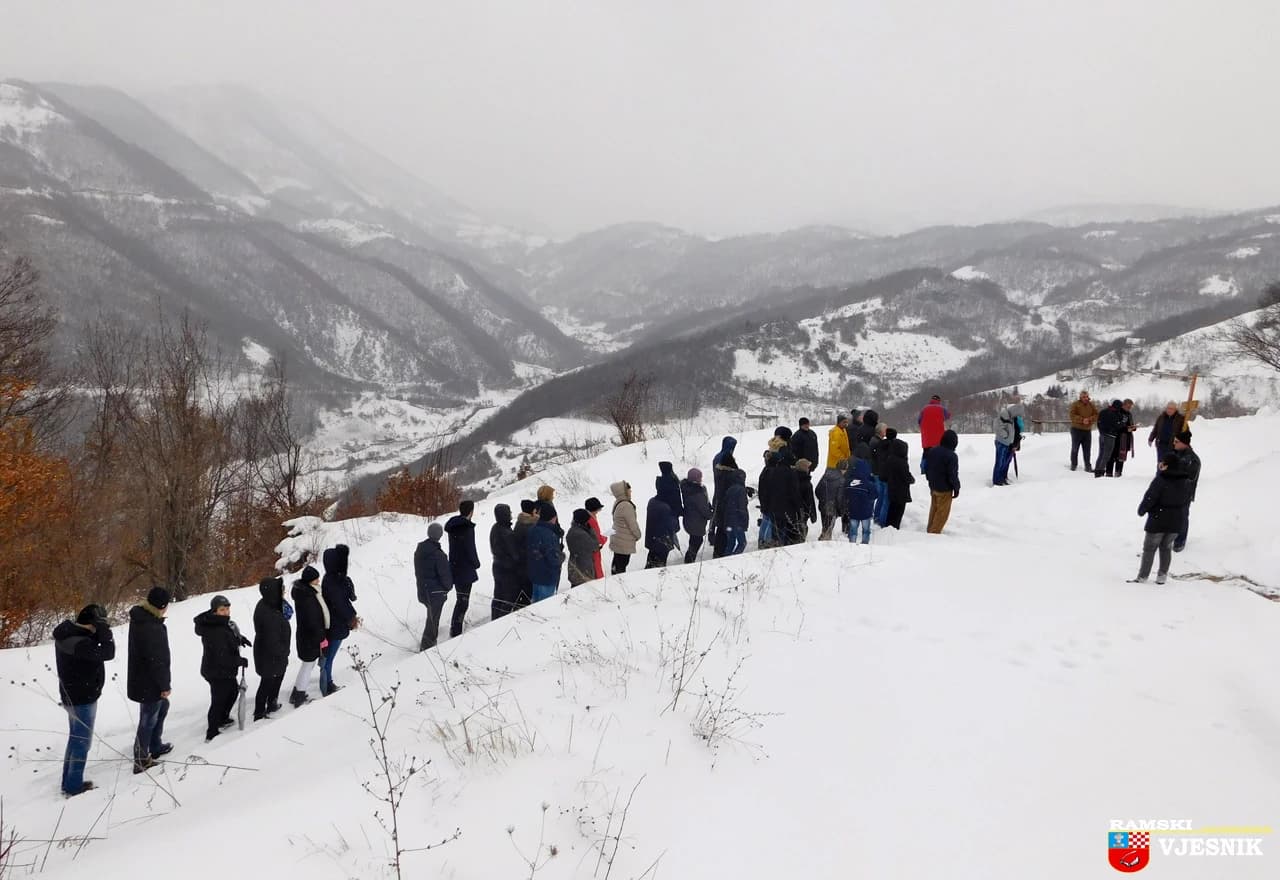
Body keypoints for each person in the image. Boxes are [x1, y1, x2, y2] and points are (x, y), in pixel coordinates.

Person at [54, 603, 115, 796]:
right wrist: (105, 630)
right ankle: (73, 786)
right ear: (92, 623)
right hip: (83, 698)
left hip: (72, 695)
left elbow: (92, 640)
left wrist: (99, 627)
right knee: (82, 742)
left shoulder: (69, 633)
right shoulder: (80, 643)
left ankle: (68, 780)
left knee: (75, 738)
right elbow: (108, 652)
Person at [193, 595, 250, 743]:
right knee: (218, 699)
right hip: (216, 671)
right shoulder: (214, 629)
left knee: (231, 692)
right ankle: (211, 731)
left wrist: (240, 638)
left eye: (227, 608)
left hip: (224, 669)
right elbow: (222, 656)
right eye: (222, 609)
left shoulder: (221, 623)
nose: (226, 612)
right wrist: (239, 661)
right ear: (214, 611)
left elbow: (228, 636)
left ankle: (223, 718)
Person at [128, 587, 173, 774]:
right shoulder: (151, 626)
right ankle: (141, 759)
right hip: (149, 681)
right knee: (148, 718)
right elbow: (157, 660)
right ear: (162, 606)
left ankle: (155, 745)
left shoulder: (143, 618)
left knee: (161, 707)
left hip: (142, 678)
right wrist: (164, 685)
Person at [1129, 453, 1192, 584]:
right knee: (1166, 547)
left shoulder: (1161, 480)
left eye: (1162, 463)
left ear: (1166, 465)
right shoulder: (1186, 482)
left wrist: (1142, 510)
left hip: (1158, 519)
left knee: (1149, 549)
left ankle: (1142, 577)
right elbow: (1186, 500)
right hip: (1176, 521)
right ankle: (1162, 576)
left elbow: (1150, 497)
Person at [319, 544, 358, 697]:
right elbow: (340, 603)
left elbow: (350, 597)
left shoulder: (336, 579)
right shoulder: (331, 581)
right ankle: (327, 684)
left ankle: (327, 680)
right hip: (335, 624)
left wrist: (347, 582)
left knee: (329, 656)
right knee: (329, 657)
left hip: (336, 623)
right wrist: (351, 617)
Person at [251, 577, 290, 721]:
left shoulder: (270, 603)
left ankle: (272, 702)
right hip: (269, 655)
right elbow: (272, 640)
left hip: (273, 653)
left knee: (277, 677)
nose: (284, 592)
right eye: (282, 590)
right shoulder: (268, 613)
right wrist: (283, 652)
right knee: (267, 682)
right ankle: (259, 713)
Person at [444, 500, 481, 638]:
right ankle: (456, 630)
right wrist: (476, 563)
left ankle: (455, 627)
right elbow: (470, 548)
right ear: (471, 511)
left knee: (461, 599)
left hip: (455, 566)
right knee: (463, 601)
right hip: (465, 568)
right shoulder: (467, 528)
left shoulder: (454, 526)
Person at [289, 565, 324, 706]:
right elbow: (313, 620)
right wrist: (321, 636)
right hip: (309, 637)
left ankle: (297, 691)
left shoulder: (303, 593)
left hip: (305, 635)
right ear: (310, 582)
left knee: (307, 664)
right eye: (316, 580)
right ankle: (299, 695)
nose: (318, 582)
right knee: (308, 665)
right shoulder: (308, 597)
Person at [415, 522, 452, 650]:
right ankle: (427, 646)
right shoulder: (438, 555)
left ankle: (428, 643)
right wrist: (447, 588)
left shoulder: (419, 551)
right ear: (440, 535)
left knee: (431, 617)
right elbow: (445, 576)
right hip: (435, 593)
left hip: (423, 591)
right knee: (433, 620)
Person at [924, 430, 961, 534]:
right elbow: (953, 474)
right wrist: (956, 488)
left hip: (933, 486)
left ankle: (930, 530)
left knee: (934, 509)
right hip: (945, 489)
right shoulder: (952, 456)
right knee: (942, 514)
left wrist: (930, 481)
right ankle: (933, 534)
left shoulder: (932, 450)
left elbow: (927, 468)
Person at [489, 504, 522, 620]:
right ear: (505, 515)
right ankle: (502, 621)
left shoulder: (495, 527)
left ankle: (495, 619)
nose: (511, 515)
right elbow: (515, 555)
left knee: (498, 596)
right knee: (508, 598)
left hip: (497, 566)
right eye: (509, 513)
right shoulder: (506, 533)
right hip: (507, 569)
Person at [527, 506, 564, 600]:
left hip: (534, 573)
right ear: (553, 517)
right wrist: (561, 556)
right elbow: (553, 558)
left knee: (536, 604)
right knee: (545, 606)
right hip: (547, 576)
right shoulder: (549, 534)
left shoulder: (532, 529)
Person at [1172, 430, 1200, 552]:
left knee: (1182, 516)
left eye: (1176, 442)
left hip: (1184, 494)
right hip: (1171, 492)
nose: (1174, 444)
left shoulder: (1192, 459)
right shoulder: (1177, 453)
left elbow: (1189, 477)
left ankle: (1180, 541)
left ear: (1184, 443)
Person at [881, 436, 915, 529]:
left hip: (891, 489)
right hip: (901, 491)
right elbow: (906, 477)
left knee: (891, 510)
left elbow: (883, 476)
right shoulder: (902, 462)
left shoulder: (890, 459)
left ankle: (888, 527)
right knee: (898, 512)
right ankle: (895, 529)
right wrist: (912, 479)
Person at [608, 481, 642, 573]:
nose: (630, 492)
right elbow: (632, 524)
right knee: (621, 567)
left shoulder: (618, 502)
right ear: (624, 492)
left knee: (617, 563)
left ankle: (615, 582)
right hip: (624, 541)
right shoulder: (626, 505)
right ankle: (618, 584)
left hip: (618, 539)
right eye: (629, 490)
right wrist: (638, 535)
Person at [680, 468, 713, 563]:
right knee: (697, 541)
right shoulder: (697, 493)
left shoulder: (687, 488)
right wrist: (711, 515)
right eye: (700, 477)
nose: (701, 479)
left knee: (693, 540)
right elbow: (704, 509)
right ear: (695, 479)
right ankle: (689, 561)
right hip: (696, 521)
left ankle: (689, 559)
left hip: (689, 519)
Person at [992, 396, 1025, 486]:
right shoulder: (1004, 415)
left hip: (1008, 443)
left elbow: (1017, 429)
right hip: (1001, 442)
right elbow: (997, 427)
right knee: (1000, 462)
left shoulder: (1013, 417)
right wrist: (1005, 435)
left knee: (1005, 462)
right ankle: (997, 480)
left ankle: (1002, 478)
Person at [815, 458, 849, 540]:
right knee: (828, 529)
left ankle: (822, 540)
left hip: (823, 505)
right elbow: (840, 498)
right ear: (844, 469)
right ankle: (824, 545)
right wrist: (841, 510)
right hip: (832, 508)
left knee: (825, 526)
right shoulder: (841, 480)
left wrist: (822, 499)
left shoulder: (826, 475)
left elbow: (817, 490)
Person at [512, 500, 538, 606]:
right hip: (527, 563)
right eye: (535, 510)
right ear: (531, 511)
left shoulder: (520, 523)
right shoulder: (529, 526)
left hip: (521, 563)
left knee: (523, 591)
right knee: (527, 592)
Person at [844, 458, 877, 544]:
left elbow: (845, 494)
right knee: (866, 530)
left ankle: (852, 544)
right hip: (866, 512)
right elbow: (875, 495)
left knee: (853, 530)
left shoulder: (849, 482)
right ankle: (865, 544)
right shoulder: (869, 484)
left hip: (853, 511)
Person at [644, 491, 680, 568]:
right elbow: (674, 526)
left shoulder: (652, 502)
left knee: (650, 563)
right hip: (663, 543)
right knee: (659, 567)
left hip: (652, 540)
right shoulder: (665, 508)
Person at [567, 509, 600, 586]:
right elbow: (595, 546)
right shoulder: (582, 534)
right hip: (584, 569)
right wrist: (591, 530)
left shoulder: (572, 530)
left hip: (575, 566)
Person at [917, 395, 950, 472]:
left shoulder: (924, 409)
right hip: (939, 436)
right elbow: (947, 416)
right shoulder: (942, 408)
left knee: (926, 452)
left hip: (926, 436)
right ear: (939, 401)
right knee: (939, 452)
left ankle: (923, 469)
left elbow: (919, 420)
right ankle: (938, 468)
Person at [722, 467, 750, 555]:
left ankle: (726, 559)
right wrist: (745, 521)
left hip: (728, 522)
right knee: (742, 543)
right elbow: (742, 508)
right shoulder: (741, 490)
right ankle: (734, 559)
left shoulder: (730, 489)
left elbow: (724, 505)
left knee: (730, 543)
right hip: (737, 522)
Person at [1148, 402, 1186, 467]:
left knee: (1171, 463)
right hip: (1161, 444)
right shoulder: (1161, 417)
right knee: (1161, 462)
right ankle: (1159, 476)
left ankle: (1170, 476)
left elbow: (1185, 432)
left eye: (1171, 409)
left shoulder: (1180, 419)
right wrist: (1151, 439)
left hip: (1173, 445)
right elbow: (1156, 429)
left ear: (1175, 409)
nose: (1169, 410)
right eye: (1168, 408)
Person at [1068, 390, 1097, 471]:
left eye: (1087, 396)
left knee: (1087, 450)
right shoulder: (1075, 404)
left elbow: (1096, 415)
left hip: (1087, 431)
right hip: (1076, 430)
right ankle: (1074, 464)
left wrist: (1090, 419)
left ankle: (1088, 466)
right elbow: (1072, 415)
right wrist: (1082, 420)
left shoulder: (1091, 405)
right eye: (1084, 397)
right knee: (1075, 448)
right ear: (1080, 397)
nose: (1086, 398)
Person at [1094, 400, 1124, 478]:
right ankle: (1100, 472)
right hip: (1110, 436)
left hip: (1102, 435)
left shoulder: (1103, 412)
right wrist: (1123, 422)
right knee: (1106, 455)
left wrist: (1101, 431)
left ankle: (1097, 470)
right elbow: (1117, 426)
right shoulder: (1115, 414)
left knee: (1101, 454)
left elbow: (1098, 422)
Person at [791, 458, 818, 544]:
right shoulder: (806, 483)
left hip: (792, 512)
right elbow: (810, 501)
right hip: (803, 513)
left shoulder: (791, 479)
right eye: (808, 467)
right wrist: (813, 516)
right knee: (801, 534)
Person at [1112, 399, 1137, 477]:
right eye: (1128, 406)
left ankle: (1118, 472)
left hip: (1126, 437)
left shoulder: (1129, 414)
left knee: (1122, 455)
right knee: (1114, 455)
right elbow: (1117, 425)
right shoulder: (1118, 412)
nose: (1129, 408)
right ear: (1124, 405)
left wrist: (1134, 427)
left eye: (1130, 407)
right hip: (1117, 437)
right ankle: (1109, 472)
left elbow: (1131, 423)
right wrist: (1126, 428)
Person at [584, 496, 608, 578]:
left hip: (585, 551)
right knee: (597, 574)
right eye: (598, 509)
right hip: (593, 551)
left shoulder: (583, 518)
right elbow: (598, 539)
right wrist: (605, 538)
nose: (598, 512)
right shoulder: (591, 520)